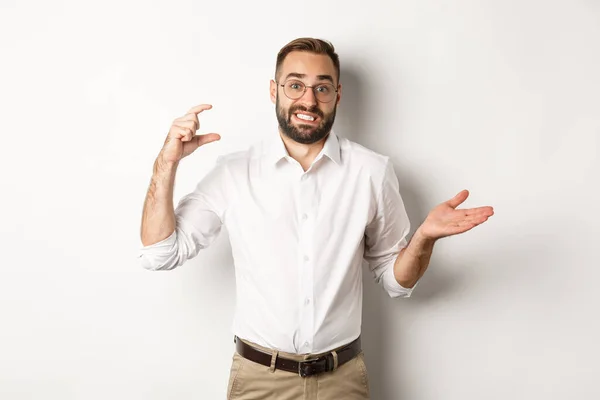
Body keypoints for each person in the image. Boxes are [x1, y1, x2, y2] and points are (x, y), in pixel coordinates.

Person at [138, 37, 494, 400]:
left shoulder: (371, 171)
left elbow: (395, 281)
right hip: (260, 380)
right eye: (295, 85)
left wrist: (424, 239)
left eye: (321, 87)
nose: (308, 100)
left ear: (337, 95)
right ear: (274, 90)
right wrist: (166, 164)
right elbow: (160, 253)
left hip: (342, 380)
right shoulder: (234, 173)